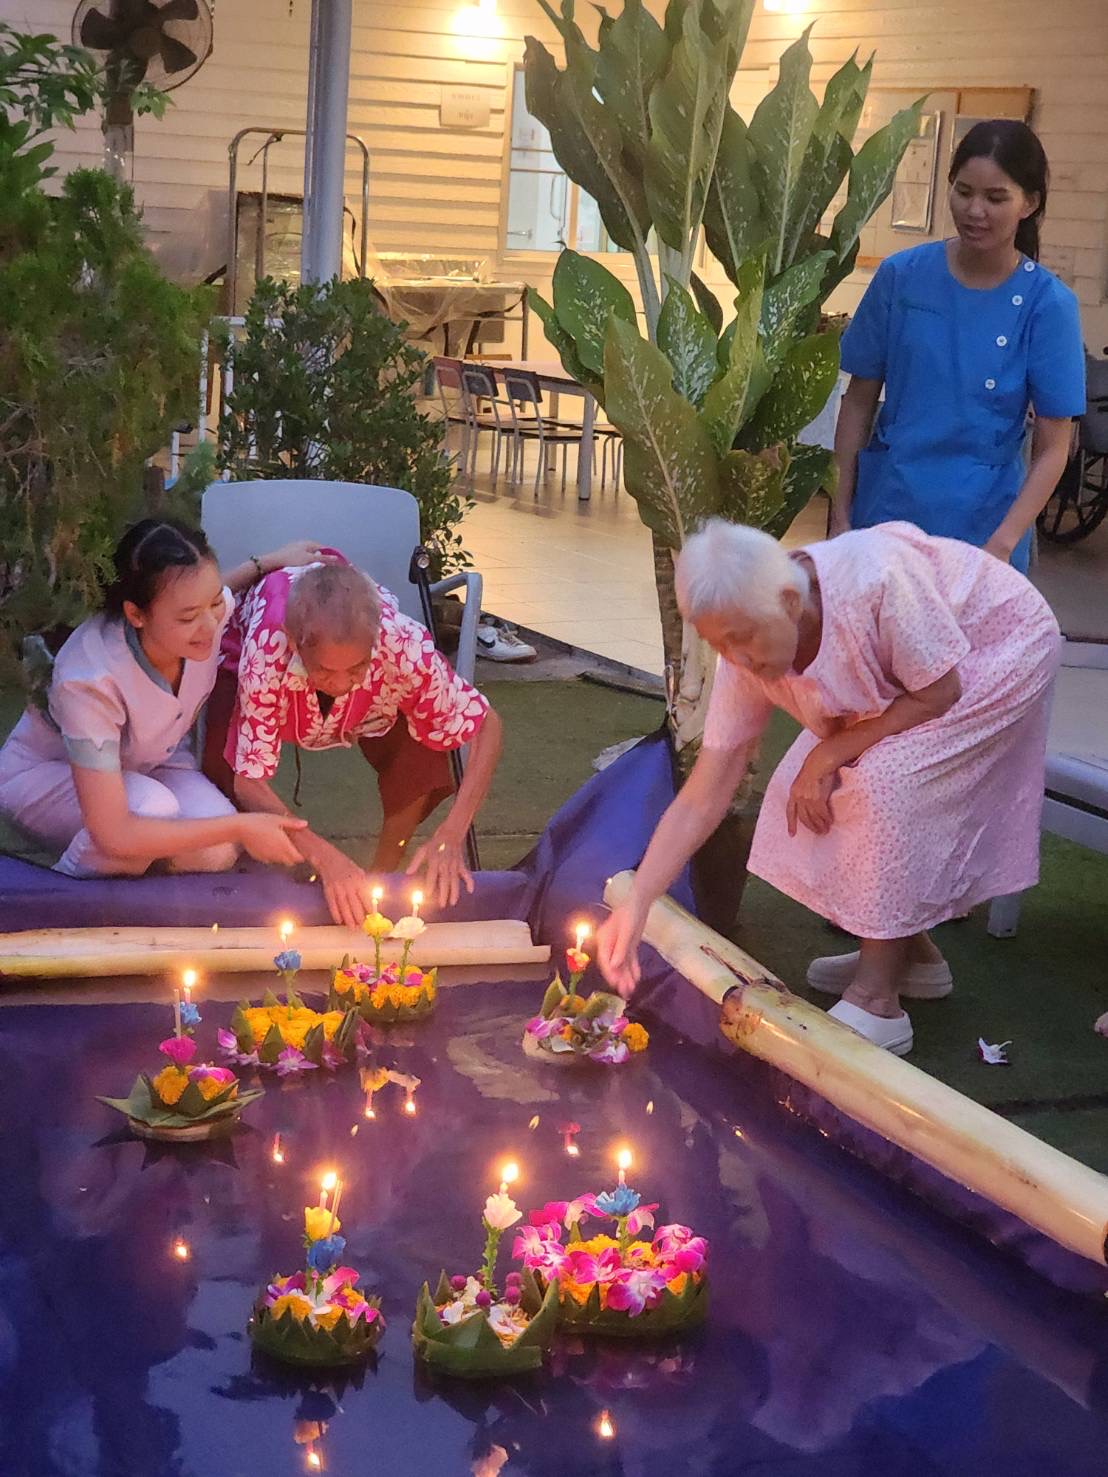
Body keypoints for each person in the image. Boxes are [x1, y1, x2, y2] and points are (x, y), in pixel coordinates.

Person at [596, 519, 1061, 1056]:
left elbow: (939, 692)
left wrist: (831, 750)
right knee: (803, 785)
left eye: (743, 638)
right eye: (720, 644)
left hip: (1000, 647)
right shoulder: (746, 634)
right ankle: (912, 956)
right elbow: (707, 789)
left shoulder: (875, 582)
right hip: (925, 679)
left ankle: (878, 999)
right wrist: (639, 902)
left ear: (791, 601)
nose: (739, 660)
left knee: (883, 783)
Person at [832, 120, 1086, 573]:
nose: (974, 210)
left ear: (1029, 204)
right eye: (963, 191)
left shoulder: (1047, 305)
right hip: (887, 514)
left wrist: (1003, 544)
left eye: (996, 198)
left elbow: (1054, 447)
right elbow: (857, 402)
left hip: (985, 533)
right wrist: (840, 515)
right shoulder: (901, 277)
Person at [0, 520, 321, 877]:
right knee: (150, 810)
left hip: (151, 763)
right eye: (189, 617)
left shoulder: (200, 614)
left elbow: (211, 594)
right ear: (136, 614)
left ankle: (136, 876)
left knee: (215, 852)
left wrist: (270, 561)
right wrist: (242, 826)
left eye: (214, 603)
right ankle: (64, 890)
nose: (211, 625)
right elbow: (113, 833)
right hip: (46, 777)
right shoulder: (89, 678)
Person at [203, 558, 502, 924]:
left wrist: (452, 832)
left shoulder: (402, 643)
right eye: (326, 670)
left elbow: (486, 724)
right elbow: (246, 780)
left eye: (356, 668)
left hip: (373, 698)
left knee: (419, 755)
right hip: (259, 668)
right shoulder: (268, 649)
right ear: (295, 643)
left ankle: (382, 873)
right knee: (222, 756)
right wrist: (324, 856)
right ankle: (257, 876)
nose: (342, 684)